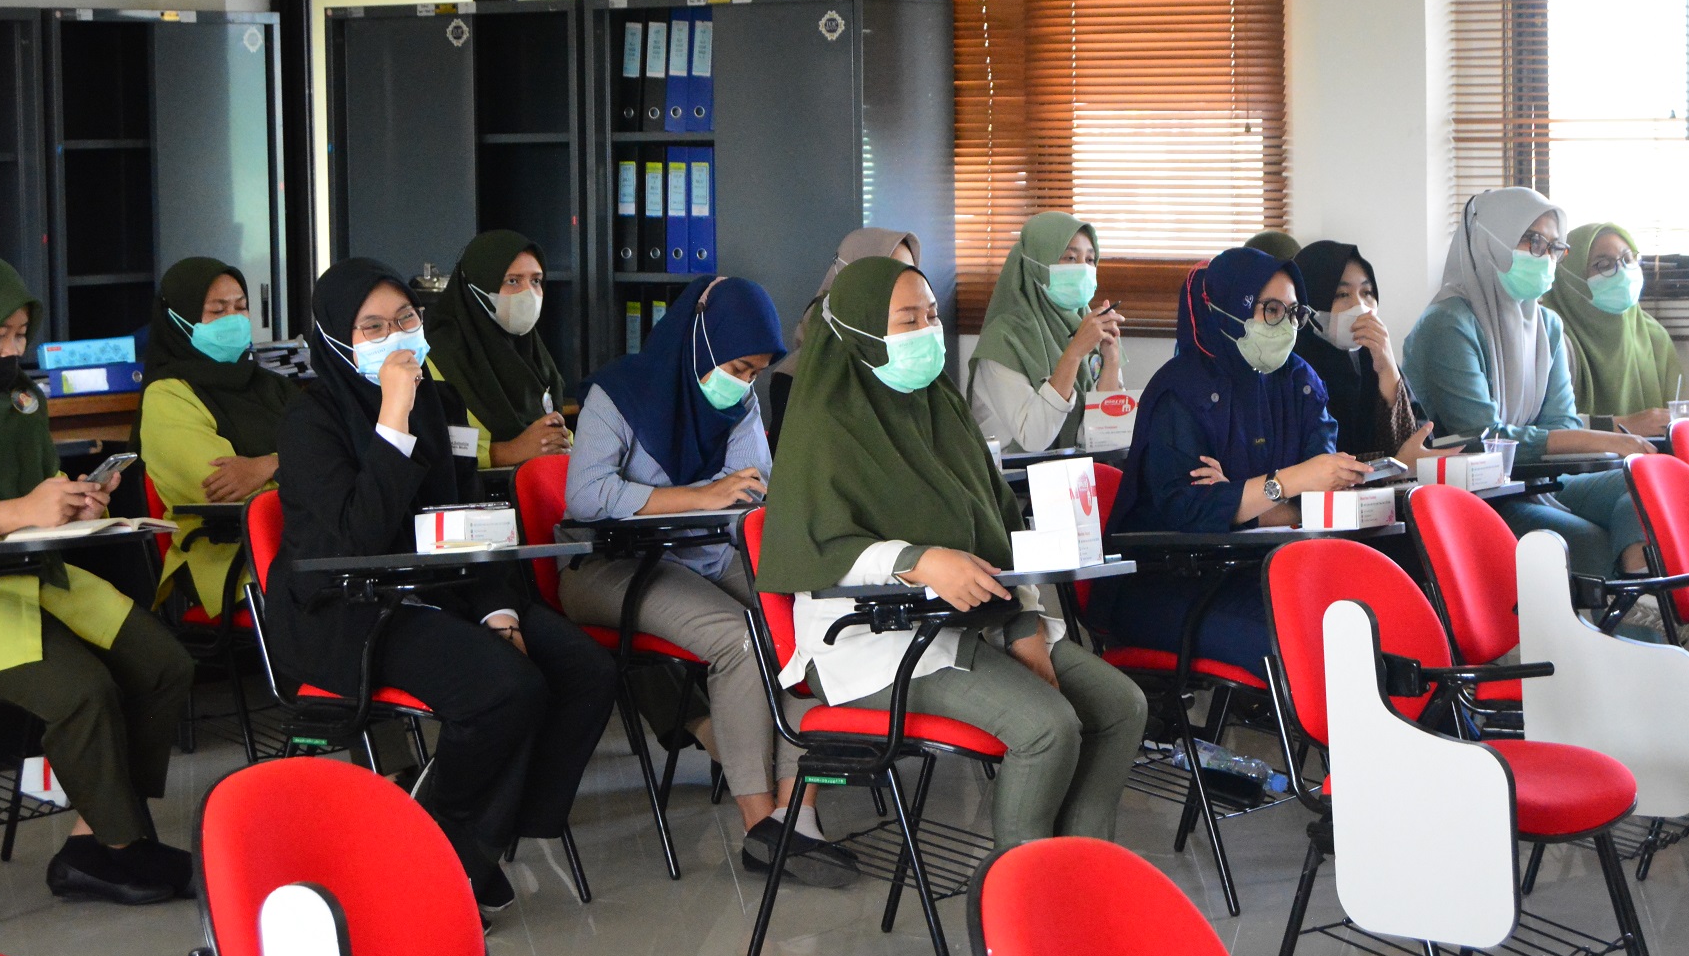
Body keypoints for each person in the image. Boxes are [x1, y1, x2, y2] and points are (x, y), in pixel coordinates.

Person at [756, 257, 1146, 852]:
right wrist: (917, 560)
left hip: (977, 618)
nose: (928, 331)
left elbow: (998, 527)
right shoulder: (824, 423)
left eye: (932, 315)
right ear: (861, 330)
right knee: (1047, 728)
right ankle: (1013, 893)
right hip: (872, 643)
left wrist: (1025, 626)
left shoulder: (942, 407)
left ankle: (1080, 868)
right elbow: (820, 547)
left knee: (1122, 707)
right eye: (907, 319)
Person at [265, 258, 615, 911]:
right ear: (337, 338)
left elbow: (469, 517)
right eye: (373, 327)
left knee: (584, 668)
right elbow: (356, 540)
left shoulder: (441, 402)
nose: (396, 336)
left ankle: (473, 843)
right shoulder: (309, 420)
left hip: (441, 585)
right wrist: (392, 421)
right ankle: (438, 851)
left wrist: (500, 612)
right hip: (348, 606)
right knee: (504, 688)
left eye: (405, 318)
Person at [561, 274, 856, 886]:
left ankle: (798, 815)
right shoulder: (617, 393)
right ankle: (759, 829)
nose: (744, 383)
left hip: (706, 555)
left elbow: (750, 487)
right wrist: (699, 495)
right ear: (700, 338)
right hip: (612, 567)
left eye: (755, 373)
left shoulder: (738, 401)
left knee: (809, 621)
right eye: (738, 368)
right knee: (740, 639)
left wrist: (729, 494)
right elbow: (586, 496)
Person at [0, 254, 196, 904]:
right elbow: (10, 509)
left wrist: (72, 501)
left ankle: (93, 841)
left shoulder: (21, 399)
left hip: (33, 575)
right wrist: (8, 513)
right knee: (83, 691)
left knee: (163, 663)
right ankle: (122, 848)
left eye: (21, 334)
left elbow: (34, 493)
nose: (11, 350)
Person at [1101, 248, 1369, 669]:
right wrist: (1287, 483)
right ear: (1227, 310)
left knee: (1369, 617)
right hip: (1168, 581)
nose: (1286, 325)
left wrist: (1239, 500)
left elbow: (1322, 498)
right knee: (1298, 643)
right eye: (1271, 310)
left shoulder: (1300, 381)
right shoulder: (1181, 390)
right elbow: (1188, 512)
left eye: (1293, 312)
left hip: (1259, 568)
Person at [1402, 189, 1657, 578]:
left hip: (1538, 483)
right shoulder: (1447, 324)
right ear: (1490, 239)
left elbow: (1561, 423)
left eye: (1554, 247)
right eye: (1533, 241)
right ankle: (1632, 607)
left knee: (1650, 485)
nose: (1546, 256)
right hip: (1475, 496)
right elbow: (1484, 438)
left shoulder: (1547, 325)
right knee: (1585, 541)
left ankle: (1645, 605)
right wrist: (1606, 439)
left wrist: (1597, 441)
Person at [134, 257, 297, 615]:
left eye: (241, 307)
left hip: (306, 539)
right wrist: (307, 472)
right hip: (230, 558)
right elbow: (223, 486)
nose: (233, 319)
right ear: (179, 319)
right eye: (217, 311)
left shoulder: (274, 386)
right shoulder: (168, 395)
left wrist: (267, 465)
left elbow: (335, 453)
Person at [968, 212, 1123, 453]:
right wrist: (1073, 354)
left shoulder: (1091, 328)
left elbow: (1105, 438)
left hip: (1076, 472)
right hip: (1013, 475)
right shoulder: (1003, 340)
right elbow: (1034, 438)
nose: (1083, 268)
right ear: (1036, 263)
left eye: (1090, 259)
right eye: (1070, 257)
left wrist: (1111, 361)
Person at [423, 230, 570, 469]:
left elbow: (554, 433)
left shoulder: (534, 354)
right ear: (477, 286)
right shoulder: (436, 360)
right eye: (512, 281)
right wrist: (505, 452)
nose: (529, 294)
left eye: (535, 281)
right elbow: (431, 444)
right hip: (473, 490)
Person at [767, 228, 920, 441]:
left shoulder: (913, 366)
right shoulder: (797, 378)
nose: (904, 289)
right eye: (888, 277)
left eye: (909, 275)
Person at [1290, 240, 1435, 464]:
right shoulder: (1293, 369)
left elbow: (1419, 448)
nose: (1360, 306)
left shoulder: (1372, 356)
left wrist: (1388, 371)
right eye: (1342, 294)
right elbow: (1316, 470)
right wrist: (1393, 467)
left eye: (1367, 292)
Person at [1543, 222, 1685, 437]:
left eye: (1628, 259)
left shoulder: (1654, 337)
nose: (1622, 271)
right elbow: (1540, 428)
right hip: (1572, 457)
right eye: (1603, 264)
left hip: (1648, 455)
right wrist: (1620, 425)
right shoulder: (1551, 338)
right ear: (1571, 277)